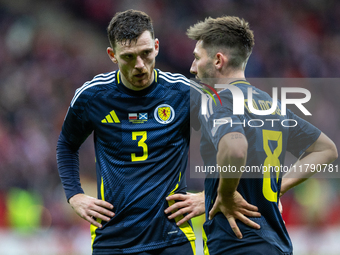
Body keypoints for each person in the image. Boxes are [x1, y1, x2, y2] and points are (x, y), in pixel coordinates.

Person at [185, 16, 338, 255]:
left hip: (236, 244)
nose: (193, 68)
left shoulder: (217, 101)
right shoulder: (271, 105)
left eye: (197, 57)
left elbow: (236, 148)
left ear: (217, 60)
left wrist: (225, 194)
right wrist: (280, 187)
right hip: (275, 244)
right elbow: (326, 149)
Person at [56, 9, 203, 255]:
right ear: (112, 55)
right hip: (113, 239)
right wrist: (74, 195)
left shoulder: (184, 94)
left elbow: (231, 140)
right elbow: (67, 145)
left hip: (173, 239)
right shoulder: (93, 96)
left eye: (146, 54)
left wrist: (209, 195)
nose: (140, 66)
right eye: (128, 57)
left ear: (156, 46)